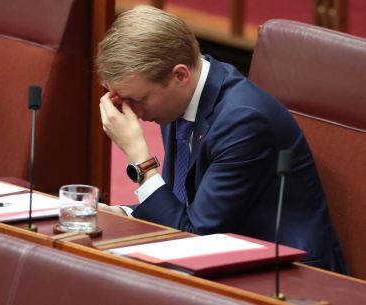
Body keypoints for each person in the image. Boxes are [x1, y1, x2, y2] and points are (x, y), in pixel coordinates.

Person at [97, 5, 346, 273]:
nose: (134, 113)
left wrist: (141, 162)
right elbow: (185, 208)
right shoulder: (178, 100)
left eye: (139, 99)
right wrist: (123, 214)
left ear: (180, 75)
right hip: (229, 254)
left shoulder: (243, 121)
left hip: (290, 276)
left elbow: (195, 238)